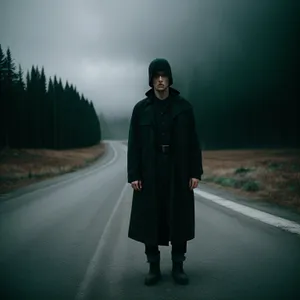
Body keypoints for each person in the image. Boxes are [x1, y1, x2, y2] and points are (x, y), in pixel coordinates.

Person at [127, 58, 203, 286]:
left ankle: (178, 266)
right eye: (156, 76)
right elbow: (134, 143)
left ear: (170, 78)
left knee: (178, 215)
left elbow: (193, 142)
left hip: (178, 169)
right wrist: (134, 175)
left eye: (164, 76)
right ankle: (153, 266)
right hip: (150, 170)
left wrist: (195, 172)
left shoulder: (184, 107)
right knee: (151, 215)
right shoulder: (141, 109)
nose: (160, 80)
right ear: (151, 80)